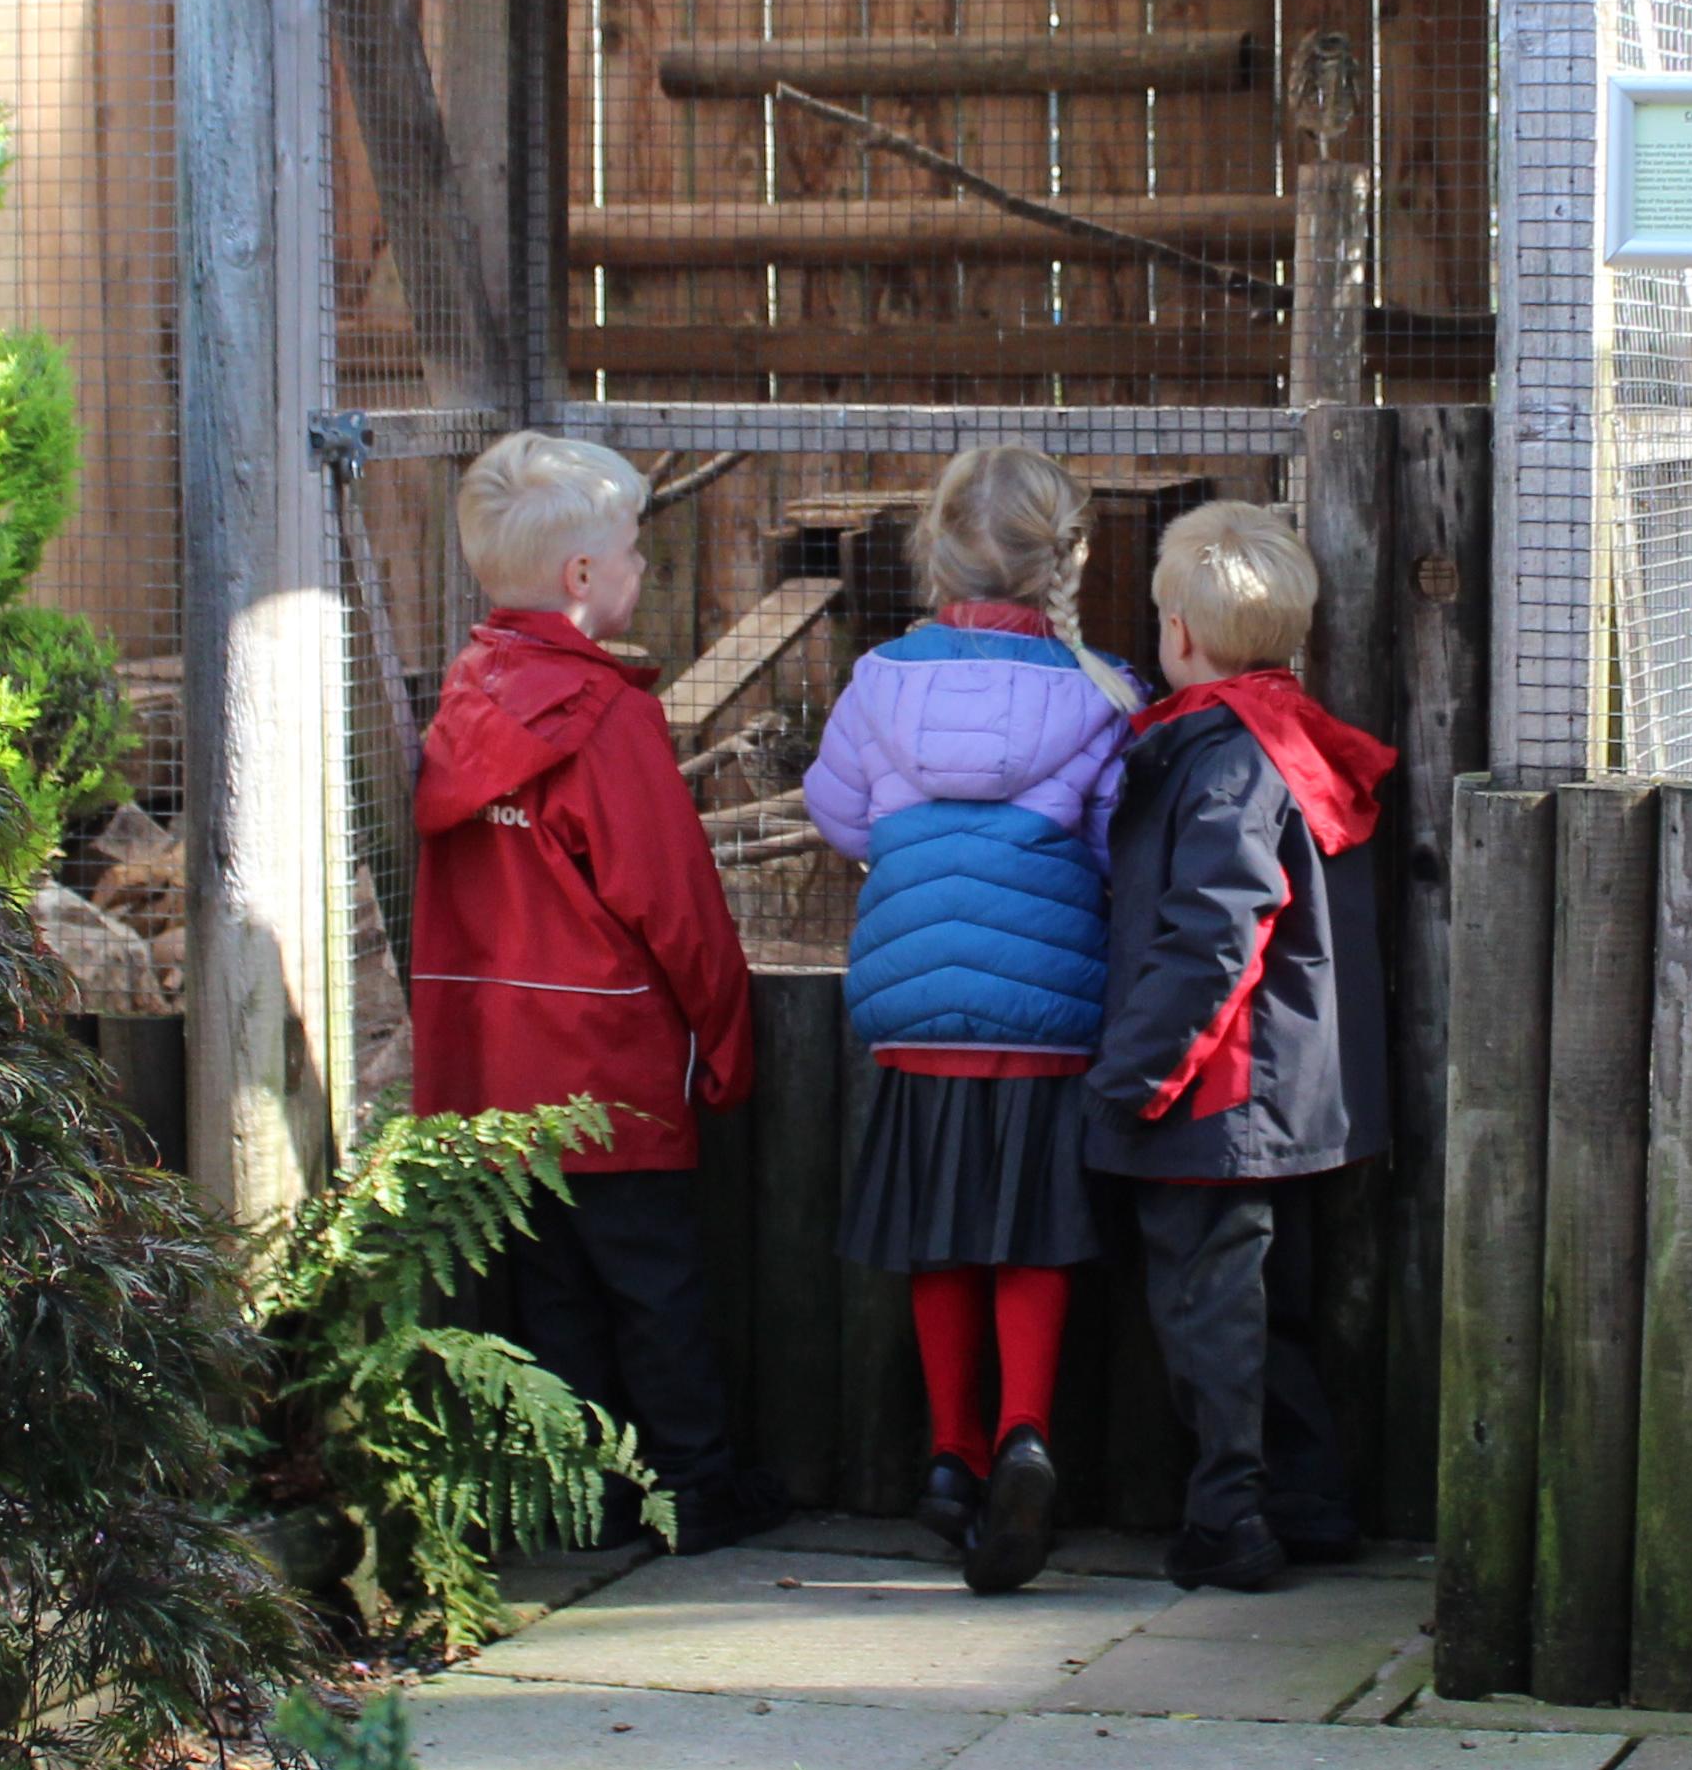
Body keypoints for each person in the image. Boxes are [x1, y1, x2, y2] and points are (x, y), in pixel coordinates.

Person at [410, 430, 783, 1553]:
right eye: (632, 550)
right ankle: (696, 1490)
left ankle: (587, 1500)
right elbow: (675, 901)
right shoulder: (605, 719)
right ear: (582, 576)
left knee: (553, 1295)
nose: (641, 567)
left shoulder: (466, 700)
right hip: (609, 1068)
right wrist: (727, 1038)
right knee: (654, 1287)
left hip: (495, 1075)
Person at [803, 446, 1143, 1594]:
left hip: (917, 1019)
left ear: (936, 552)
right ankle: (1024, 1435)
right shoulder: (1103, 694)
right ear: (1066, 561)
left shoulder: (878, 680)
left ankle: (950, 1456)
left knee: (935, 1234)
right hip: (1046, 1017)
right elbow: (1118, 843)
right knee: (1031, 1233)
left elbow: (840, 816)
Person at [1084, 499, 1396, 1594]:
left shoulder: (1224, 759)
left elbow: (1214, 935)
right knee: (1269, 1310)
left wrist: (1136, 1075)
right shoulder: (1288, 738)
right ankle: (1303, 1502)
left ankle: (1231, 1520)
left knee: (1207, 1311)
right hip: (1289, 1090)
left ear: (1177, 632)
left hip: (1211, 1092)